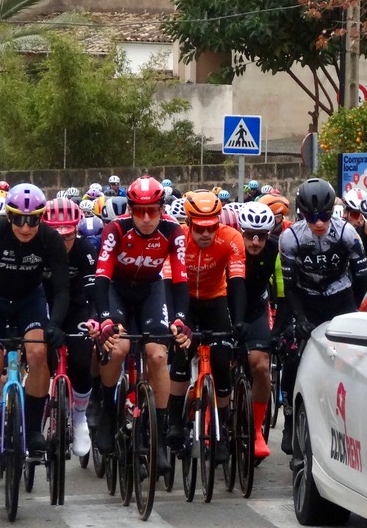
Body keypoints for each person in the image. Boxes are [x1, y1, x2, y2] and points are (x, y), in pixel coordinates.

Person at [0, 184, 69, 474]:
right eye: (19, 219)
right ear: (8, 217)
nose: (26, 226)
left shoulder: (50, 240)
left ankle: (33, 428)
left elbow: (61, 289)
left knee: (37, 352)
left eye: (33, 219)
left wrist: (56, 324)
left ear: (41, 218)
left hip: (28, 301)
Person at [94, 176, 190, 477]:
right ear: (131, 209)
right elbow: (102, 277)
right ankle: (108, 412)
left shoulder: (173, 231)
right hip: (117, 291)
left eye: (153, 210)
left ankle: (159, 438)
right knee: (120, 347)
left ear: (161, 208)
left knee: (158, 356)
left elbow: (180, 279)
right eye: (140, 211)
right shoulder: (116, 229)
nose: (147, 218)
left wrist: (180, 318)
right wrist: (106, 316)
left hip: (151, 290)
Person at [277, 178, 367, 454]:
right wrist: (300, 318)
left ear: (334, 212)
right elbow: (289, 287)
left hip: (340, 298)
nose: (319, 224)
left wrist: (355, 313)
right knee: (293, 356)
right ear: (301, 215)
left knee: (355, 360)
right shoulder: (290, 238)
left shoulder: (347, 234)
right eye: (311, 217)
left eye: (325, 216)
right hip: (305, 299)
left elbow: (363, 278)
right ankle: (290, 418)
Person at [168, 191, 246, 470]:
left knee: (222, 362)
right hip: (185, 300)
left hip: (216, 300)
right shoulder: (178, 238)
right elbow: (169, 282)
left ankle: (222, 429)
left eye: (212, 227)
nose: (206, 234)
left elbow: (237, 282)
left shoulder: (232, 238)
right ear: (189, 223)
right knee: (180, 351)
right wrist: (175, 320)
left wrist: (238, 322)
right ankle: (175, 420)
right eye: (200, 228)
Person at [42, 198, 96, 459]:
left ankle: (80, 418)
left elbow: (94, 290)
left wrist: (96, 318)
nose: (63, 243)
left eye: (69, 235)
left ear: (77, 230)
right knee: (38, 356)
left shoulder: (85, 249)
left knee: (83, 359)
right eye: (57, 236)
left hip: (76, 308)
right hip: (44, 306)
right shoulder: (38, 248)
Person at [238, 202, 279, 460]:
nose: (255, 241)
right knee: (223, 361)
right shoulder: (230, 246)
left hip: (256, 309)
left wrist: (282, 325)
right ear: (240, 231)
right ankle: (210, 418)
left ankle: (256, 431)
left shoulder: (275, 249)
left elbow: (283, 290)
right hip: (228, 307)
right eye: (249, 235)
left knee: (261, 366)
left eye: (261, 236)